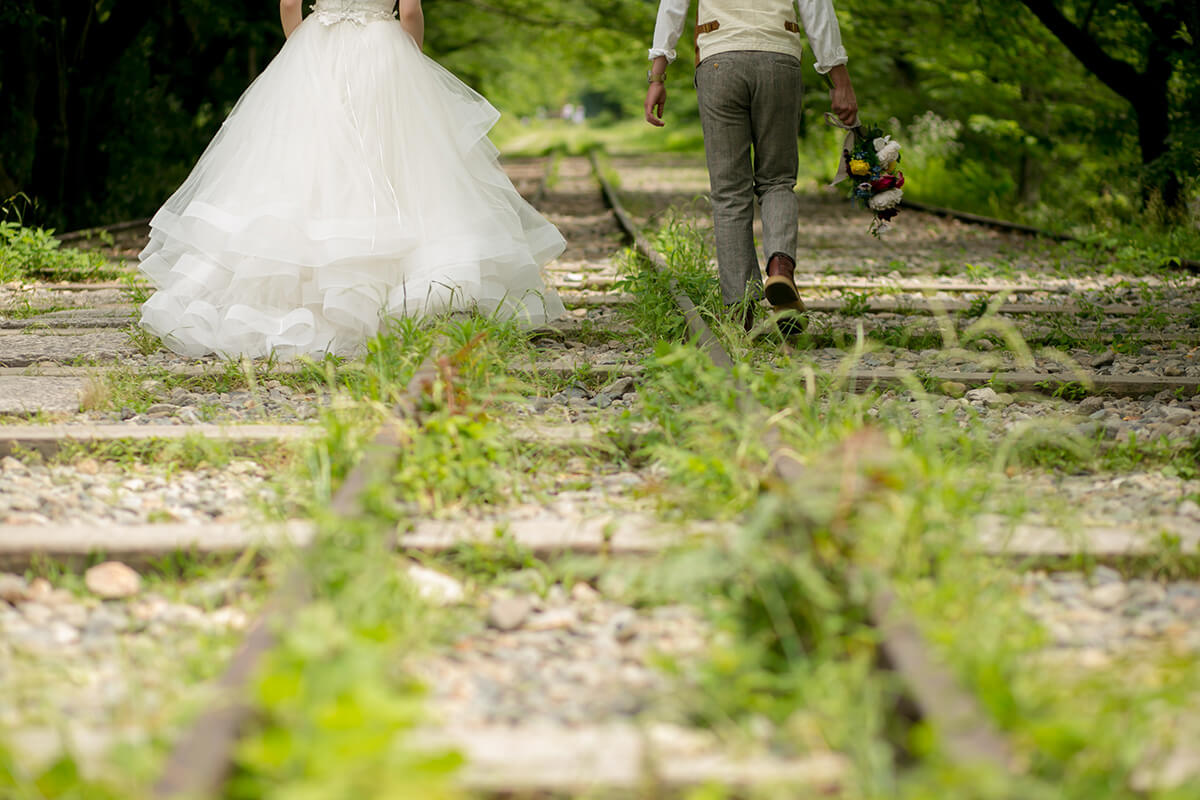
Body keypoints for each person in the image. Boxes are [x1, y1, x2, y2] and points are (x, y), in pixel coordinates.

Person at [138, 0, 566, 359]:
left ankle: (306, 301)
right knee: (393, 166)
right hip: (383, 51)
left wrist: (302, 54)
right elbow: (411, 10)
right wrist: (409, 62)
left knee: (311, 168)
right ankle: (398, 301)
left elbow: (289, 4)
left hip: (318, 47)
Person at [643, 0, 858, 330]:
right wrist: (839, 79)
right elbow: (817, 9)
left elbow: (673, 7)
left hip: (719, 62)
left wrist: (657, 76)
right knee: (778, 181)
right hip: (778, 60)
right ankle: (780, 269)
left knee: (729, 191)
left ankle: (739, 306)